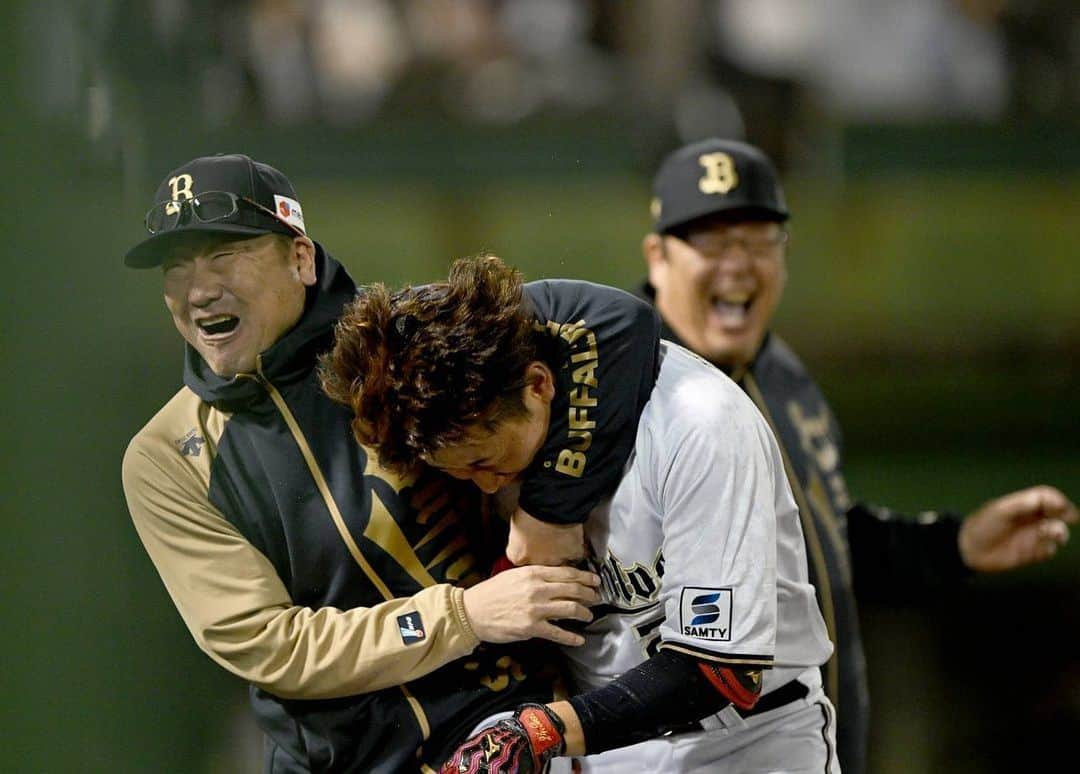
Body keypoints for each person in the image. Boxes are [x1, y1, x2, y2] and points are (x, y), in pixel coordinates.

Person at [121, 153, 664, 773]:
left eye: (223, 256)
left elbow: (611, 324)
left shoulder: (399, 342)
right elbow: (271, 646)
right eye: (176, 268)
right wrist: (463, 616)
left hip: (514, 733)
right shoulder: (166, 457)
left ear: (300, 258)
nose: (198, 290)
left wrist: (550, 509)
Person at [633, 137, 1078, 773]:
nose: (738, 263)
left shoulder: (784, 378)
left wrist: (955, 545)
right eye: (711, 240)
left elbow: (823, 550)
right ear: (658, 257)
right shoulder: (622, 397)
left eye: (759, 240)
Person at [321, 254, 840, 773]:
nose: (483, 482)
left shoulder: (698, 423)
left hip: (754, 742)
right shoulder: (486, 422)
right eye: (461, 471)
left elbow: (720, 673)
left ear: (540, 385)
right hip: (598, 748)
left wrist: (539, 729)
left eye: (485, 460)